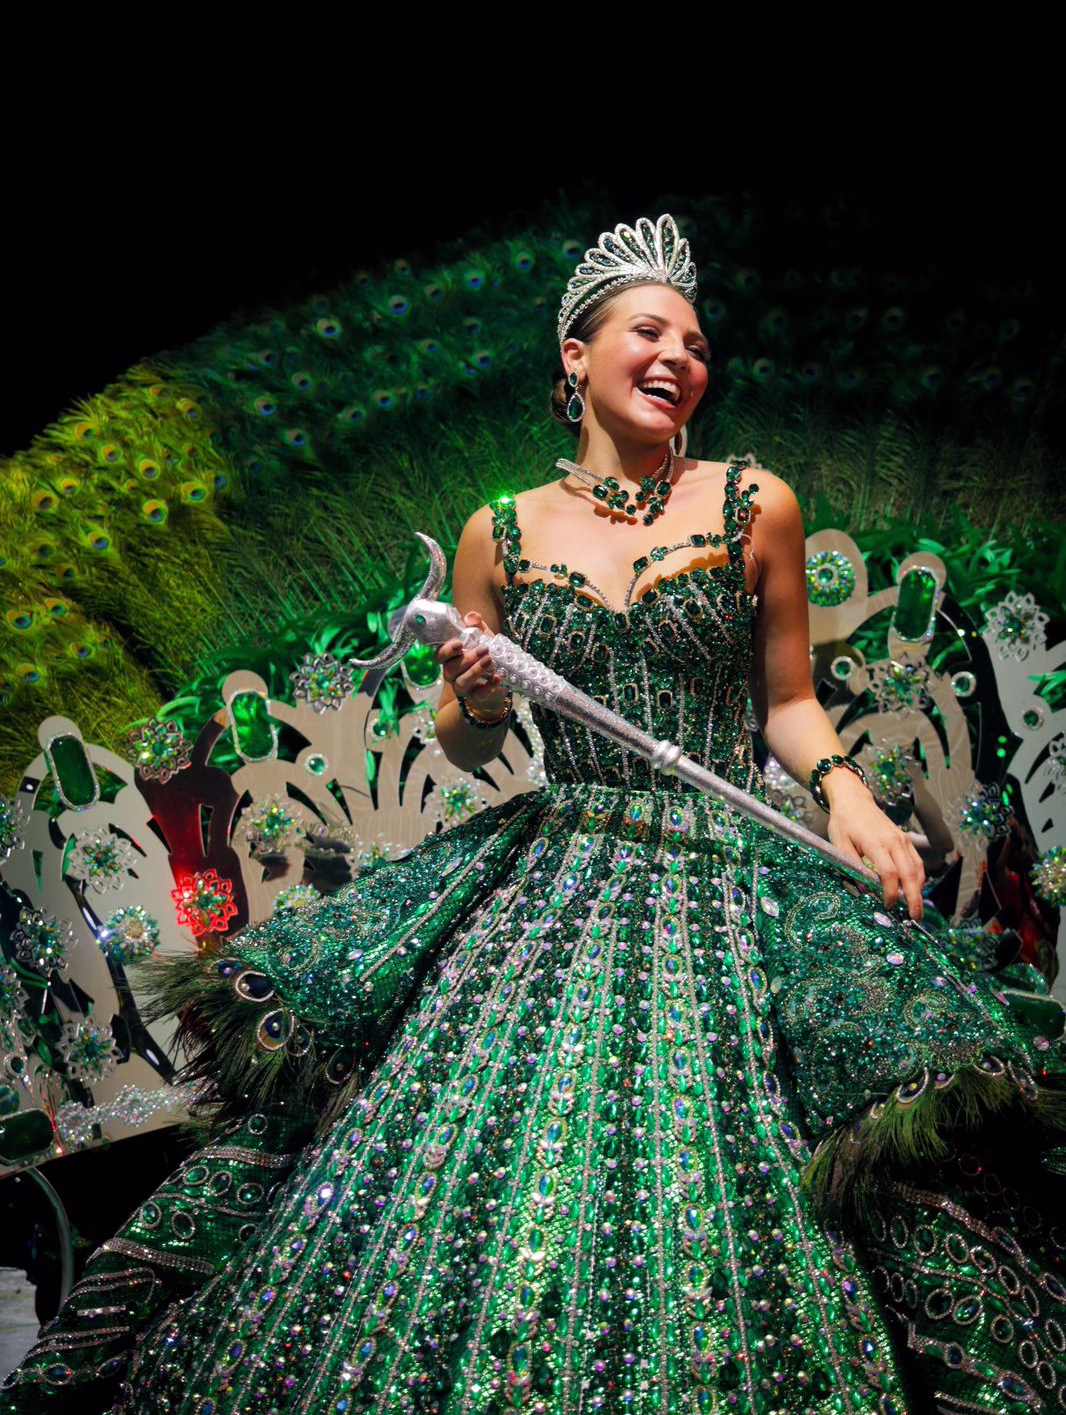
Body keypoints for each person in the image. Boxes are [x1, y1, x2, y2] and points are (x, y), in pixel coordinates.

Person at [6, 216, 1064, 1414]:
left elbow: (787, 702)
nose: (679, 357)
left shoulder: (751, 500)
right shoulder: (494, 534)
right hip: (555, 867)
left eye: (697, 342)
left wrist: (850, 797)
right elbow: (472, 739)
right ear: (575, 356)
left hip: (720, 868)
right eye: (649, 332)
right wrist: (467, 698)